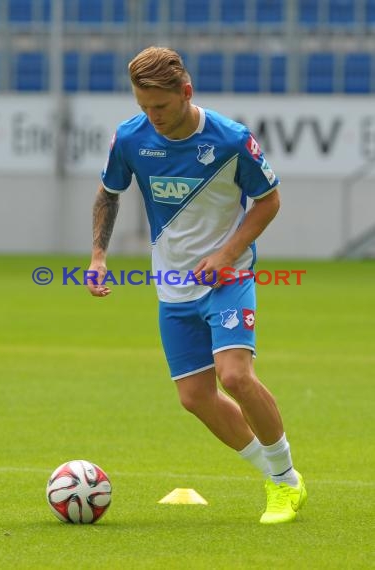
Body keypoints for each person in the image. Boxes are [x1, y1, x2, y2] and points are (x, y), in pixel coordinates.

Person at [87, 46, 307, 524]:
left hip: (229, 277)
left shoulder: (230, 140)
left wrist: (227, 254)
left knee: (235, 376)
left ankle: (285, 481)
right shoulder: (130, 138)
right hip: (171, 285)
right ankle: (274, 477)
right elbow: (109, 192)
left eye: (161, 107)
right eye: (144, 107)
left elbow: (268, 201)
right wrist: (99, 256)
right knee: (194, 398)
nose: (153, 117)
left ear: (186, 92)